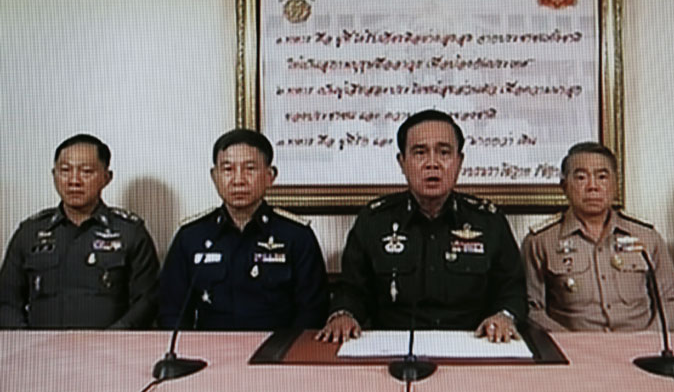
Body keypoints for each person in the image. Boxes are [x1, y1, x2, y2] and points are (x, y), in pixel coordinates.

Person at [317, 110, 526, 344]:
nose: (432, 164)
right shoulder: (374, 220)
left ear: (459, 161)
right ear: (402, 162)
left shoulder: (489, 221)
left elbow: (512, 290)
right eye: (420, 153)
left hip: (472, 344)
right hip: (392, 347)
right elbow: (352, 290)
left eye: (444, 152)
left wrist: (504, 315)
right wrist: (344, 314)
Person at [158, 129, 329, 330]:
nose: (238, 180)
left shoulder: (296, 236)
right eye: (228, 169)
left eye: (250, 169)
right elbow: (172, 312)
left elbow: (312, 312)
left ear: (270, 176)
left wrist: (286, 348)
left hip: (278, 346)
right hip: (208, 347)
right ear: (214, 176)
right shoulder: (191, 236)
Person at [0, 134, 160, 329]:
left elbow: (147, 301)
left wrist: (113, 339)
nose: (74, 180)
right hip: (40, 347)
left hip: (111, 346)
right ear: (54, 175)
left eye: (86, 171)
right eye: (65, 170)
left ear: (107, 178)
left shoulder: (130, 232)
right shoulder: (30, 233)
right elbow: (7, 301)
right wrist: (25, 339)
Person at [522, 142, 674, 331]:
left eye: (602, 177)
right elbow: (531, 308)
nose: (592, 186)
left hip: (643, 345)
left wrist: (650, 338)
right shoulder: (540, 241)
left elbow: (672, 297)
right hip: (573, 347)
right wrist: (568, 343)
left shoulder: (645, 236)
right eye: (581, 177)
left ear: (615, 185)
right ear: (564, 186)